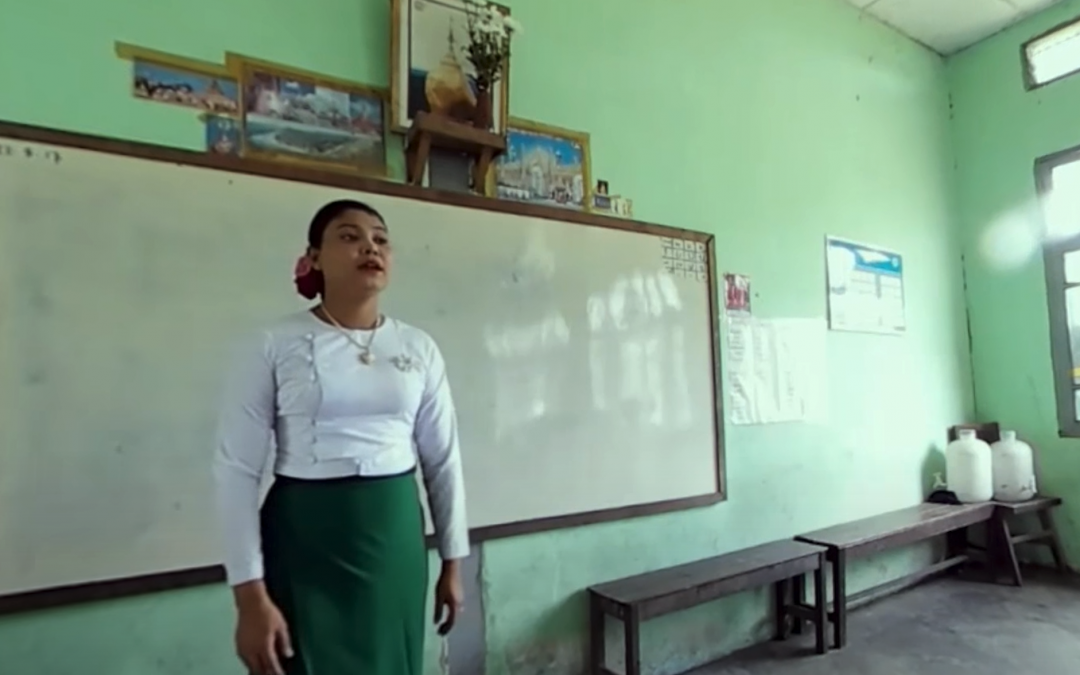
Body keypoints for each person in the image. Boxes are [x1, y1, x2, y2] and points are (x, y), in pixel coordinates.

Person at [212, 199, 469, 675]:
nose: (369, 246)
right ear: (313, 259)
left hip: (393, 537)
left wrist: (453, 562)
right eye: (349, 237)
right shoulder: (272, 343)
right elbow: (237, 471)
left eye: (380, 238)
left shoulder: (418, 346)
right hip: (305, 538)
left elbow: (442, 459)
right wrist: (248, 595)